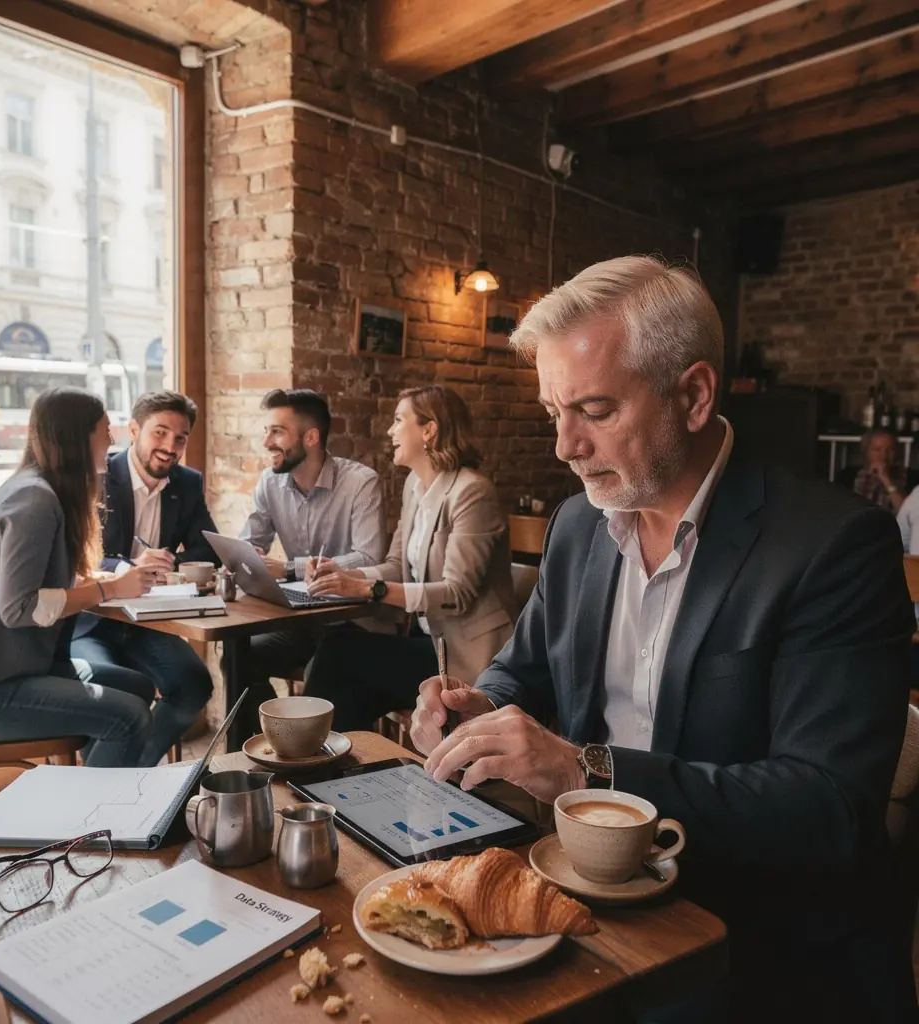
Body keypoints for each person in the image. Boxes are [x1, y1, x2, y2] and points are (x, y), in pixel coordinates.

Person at [411, 257, 916, 1024]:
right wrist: (478, 708)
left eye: (594, 410)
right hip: (586, 892)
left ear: (694, 396)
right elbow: (525, 671)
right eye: (554, 412)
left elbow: (829, 808)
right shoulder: (577, 526)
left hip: (758, 937)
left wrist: (588, 770)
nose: (565, 447)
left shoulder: (834, 545)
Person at [0, 388, 155, 767]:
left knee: (139, 687)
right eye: (104, 431)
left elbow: (34, 585)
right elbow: (19, 607)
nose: (112, 440)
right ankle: (91, 802)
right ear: (76, 437)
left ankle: (88, 786)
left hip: (6, 670)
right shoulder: (34, 499)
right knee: (129, 717)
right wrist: (109, 589)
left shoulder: (39, 489)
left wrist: (96, 581)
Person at [303, 386, 517, 731]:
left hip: (467, 657)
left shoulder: (472, 492)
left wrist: (369, 590)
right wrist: (343, 575)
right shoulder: (414, 488)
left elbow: (456, 593)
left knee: (338, 654)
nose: (390, 431)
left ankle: (309, 751)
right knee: (347, 684)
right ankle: (334, 758)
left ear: (429, 429)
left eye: (399, 420)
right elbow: (395, 566)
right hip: (429, 642)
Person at [71, 390, 217, 766]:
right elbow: (76, 556)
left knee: (194, 684)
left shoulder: (187, 483)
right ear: (134, 430)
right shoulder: (97, 476)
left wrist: (169, 562)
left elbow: (208, 548)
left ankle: (135, 769)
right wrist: (129, 566)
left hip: (150, 623)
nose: (170, 447)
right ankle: (106, 779)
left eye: (180, 438)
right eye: (160, 433)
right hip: (91, 621)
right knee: (107, 690)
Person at [234, 388, 386, 741]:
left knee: (325, 671)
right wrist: (244, 557)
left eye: (277, 432)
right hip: (299, 620)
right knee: (239, 657)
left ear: (311, 437)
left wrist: (290, 568)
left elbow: (369, 558)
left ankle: (306, 751)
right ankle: (275, 742)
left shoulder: (360, 482)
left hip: (352, 622)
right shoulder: (270, 482)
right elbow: (251, 542)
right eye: (266, 431)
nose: (266, 442)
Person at [853, 428, 906, 512]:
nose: (884, 456)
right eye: (877, 450)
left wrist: (886, 479)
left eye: (890, 450)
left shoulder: (909, 477)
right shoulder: (849, 476)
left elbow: (906, 512)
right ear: (866, 452)